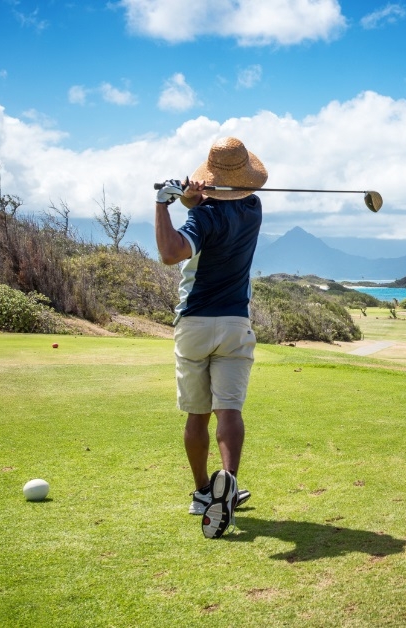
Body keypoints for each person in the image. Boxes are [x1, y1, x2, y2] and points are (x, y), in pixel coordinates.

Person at [154, 137, 266, 539]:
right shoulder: (253, 209)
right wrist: (190, 200)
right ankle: (229, 484)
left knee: (197, 414)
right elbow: (219, 205)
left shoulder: (202, 220)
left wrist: (163, 204)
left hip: (195, 323)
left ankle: (204, 491)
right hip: (236, 322)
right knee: (229, 409)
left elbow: (171, 252)